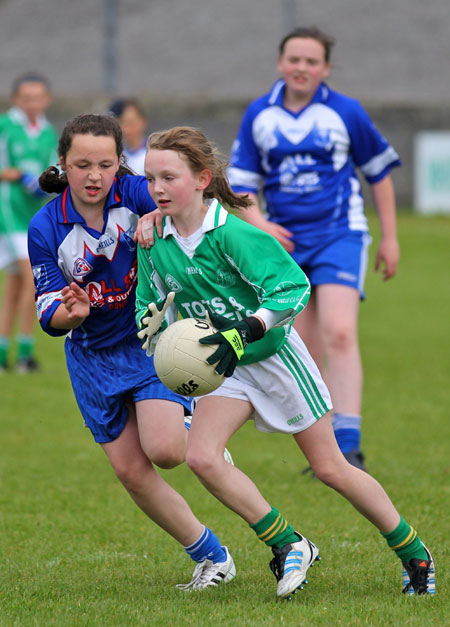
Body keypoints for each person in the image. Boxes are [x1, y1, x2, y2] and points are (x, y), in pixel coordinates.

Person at [135, 126, 435, 599]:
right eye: (150, 179)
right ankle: (288, 543)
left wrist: (246, 330)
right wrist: (149, 323)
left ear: (202, 179)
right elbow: (151, 298)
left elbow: (292, 289)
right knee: (202, 457)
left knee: (331, 468)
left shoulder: (233, 233)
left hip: (274, 359)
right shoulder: (154, 239)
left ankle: (413, 551)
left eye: (168, 177)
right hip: (224, 366)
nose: (156, 189)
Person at [27, 113, 236, 590]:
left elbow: (182, 204)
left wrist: (156, 214)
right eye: (82, 165)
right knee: (131, 472)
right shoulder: (46, 226)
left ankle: (201, 435)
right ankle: (213, 558)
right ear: (63, 164)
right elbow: (48, 312)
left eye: (105, 163)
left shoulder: (136, 191)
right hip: (91, 359)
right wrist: (71, 313)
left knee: (164, 451)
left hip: (147, 339)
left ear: (120, 162)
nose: (94, 175)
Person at [227, 26, 402, 471]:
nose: (301, 68)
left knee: (340, 332)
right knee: (303, 344)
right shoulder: (259, 115)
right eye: (294, 59)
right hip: (283, 242)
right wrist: (262, 223)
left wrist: (391, 237)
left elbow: (378, 173)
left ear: (325, 68)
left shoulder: (346, 112)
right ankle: (326, 449)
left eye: (311, 61)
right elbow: (243, 184)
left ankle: (351, 441)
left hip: (340, 233)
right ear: (280, 63)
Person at [0, 72, 58, 373]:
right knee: (32, 278)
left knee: (14, 286)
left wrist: (43, 182)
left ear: (46, 99)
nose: (32, 103)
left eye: (38, 97)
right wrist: (18, 176)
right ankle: (25, 353)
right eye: (27, 98)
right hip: (8, 210)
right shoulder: (6, 126)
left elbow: (51, 169)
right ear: (16, 100)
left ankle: (3, 353)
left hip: (33, 211)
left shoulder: (48, 132)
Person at [108, 98, 148, 175]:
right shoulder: (115, 155)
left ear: (143, 121)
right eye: (121, 123)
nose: (125, 129)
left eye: (130, 123)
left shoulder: (153, 153)